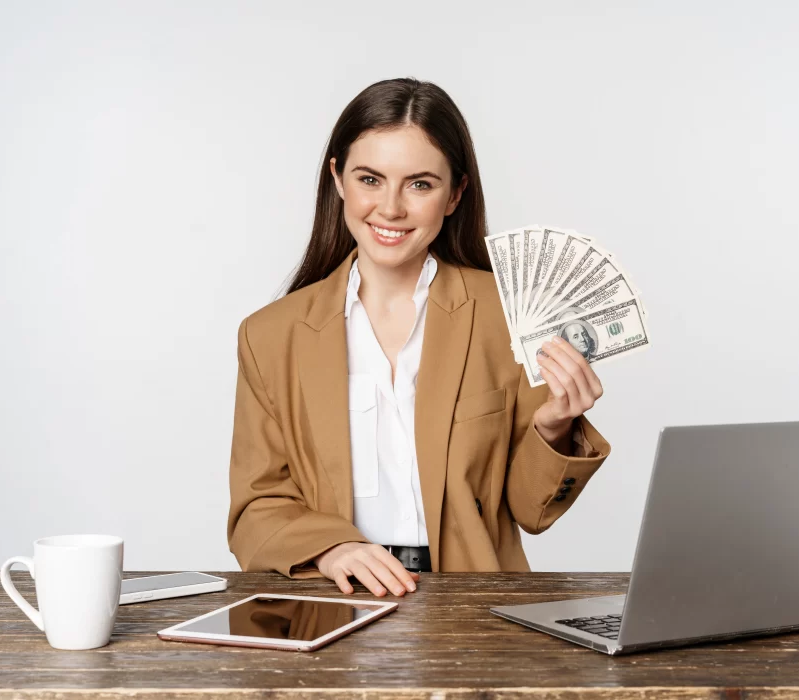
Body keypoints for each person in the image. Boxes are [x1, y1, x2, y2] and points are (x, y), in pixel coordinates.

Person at [227, 77, 611, 599]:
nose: (390, 208)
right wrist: (330, 547)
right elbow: (255, 508)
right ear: (337, 179)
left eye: (419, 184)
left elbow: (532, 512)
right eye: (370, 179)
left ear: (455, 194)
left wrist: (554, 428)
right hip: (334, 598)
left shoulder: (507, 316)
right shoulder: (269, 336)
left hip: (475, 610)